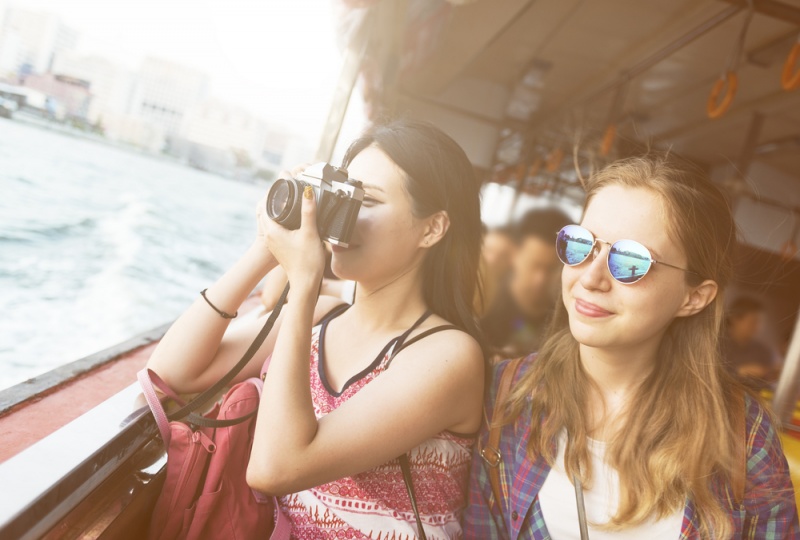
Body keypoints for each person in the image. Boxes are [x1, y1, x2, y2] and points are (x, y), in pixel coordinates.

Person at [145, 120, 486, 538]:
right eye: (342, 197)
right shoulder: (323, 317)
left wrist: (303, 282)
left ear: (432, 228)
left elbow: (275, 468)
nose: (341, 219)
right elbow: (172, 373)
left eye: (368, 201)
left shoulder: (447, 356)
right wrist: (266, 246)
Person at [463, 154, 798, 539]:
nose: (591, 277)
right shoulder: (506, 394)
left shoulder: (743, 435)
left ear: (694, 297)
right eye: (580, 244)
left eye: (630, 260)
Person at [481, 208, 571, 357]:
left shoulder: (566, 320)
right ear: (514, 255)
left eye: (550, 269)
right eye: (534, 265)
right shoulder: (483, 309)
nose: (540, 279)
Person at [722, 296, 778, 389]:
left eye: (759, 323)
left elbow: (768, 384)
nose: (756, 327)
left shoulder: (763, 351)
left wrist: (771, 375)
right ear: (734, 319)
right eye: (752, 322)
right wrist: (740, 372)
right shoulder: (716, 344)